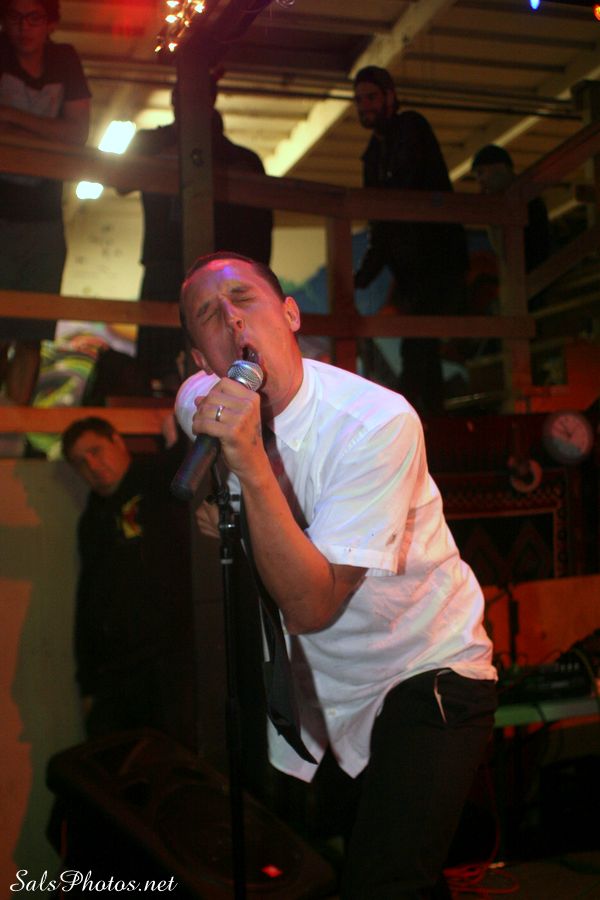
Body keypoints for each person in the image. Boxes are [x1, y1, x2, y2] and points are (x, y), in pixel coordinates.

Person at [178, 251, 497, 899]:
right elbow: (183, 410)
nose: (231, 317)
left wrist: (249, 464)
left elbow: (312, 606)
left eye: (245, 298)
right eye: (209, 314)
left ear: (291, 315)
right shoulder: (203, 401)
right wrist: (212, 498)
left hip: (426, 669)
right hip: (331, 693)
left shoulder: (375, 423)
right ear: (200, 360)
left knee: (384, 882)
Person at [124, 93, 273, 396]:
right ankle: (168, 389)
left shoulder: (239, 159)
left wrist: (255, 277)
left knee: (221, 337)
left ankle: (215, 388)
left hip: (217, 267)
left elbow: (260, 227)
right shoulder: (155, 144)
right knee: (163, 351)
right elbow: (121, 180)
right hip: (172, 263)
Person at [61, 415, 196, 748]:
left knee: (173, 758)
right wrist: (88, 682)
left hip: (170, 664)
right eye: (80, 462)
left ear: (117, 442)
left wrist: (176, 431)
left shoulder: (155, 479)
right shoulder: (92, 520)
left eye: (96, 451)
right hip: (116, 672)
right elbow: (88, 600)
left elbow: (190, 459)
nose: (92, 465)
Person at [353, 66, 469, 414]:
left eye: (371, 97)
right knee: (420, 346)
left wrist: (368, 270)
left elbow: (399, 194)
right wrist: (365, 273)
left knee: (418, 347)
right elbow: (380, 217)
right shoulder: (374, 154)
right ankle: (428, 416)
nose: (365, 105)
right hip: (411, 268)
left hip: (436, 258)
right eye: (360, 100)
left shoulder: (410, 128)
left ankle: (418, 416)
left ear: (390, 96)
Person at [0, 0, 90, 405]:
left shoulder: (64, 59)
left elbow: (77, 134)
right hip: (4, 215)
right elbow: (66, 132)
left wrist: (10, 116)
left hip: (46, 218)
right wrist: (50, 131)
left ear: (50, 22)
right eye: (14, 17)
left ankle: (14, 429)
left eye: (33, 17)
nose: (23, 27)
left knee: (32, 334)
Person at [471, 143, 550, 309]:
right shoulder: (510, 202)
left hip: (532, 282)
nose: (479, 181)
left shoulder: (525, 200)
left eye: (481, 172)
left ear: (500, 169)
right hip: (522, 285)